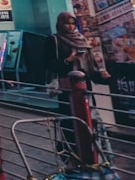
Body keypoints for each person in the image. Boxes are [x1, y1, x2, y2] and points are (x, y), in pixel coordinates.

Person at [46, 11, 110, 155]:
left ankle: (93, 154)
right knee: (70, 121)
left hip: (85, 87)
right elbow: (49, 64)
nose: (70, 26)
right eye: (67, 23)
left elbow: (90, 68)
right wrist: (68, 60)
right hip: (66, 88)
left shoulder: (82, 40)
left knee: (90, 119)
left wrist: (102, 75)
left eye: (73, 23)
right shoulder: (53, 40)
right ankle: (72, 154)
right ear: (60, 24)